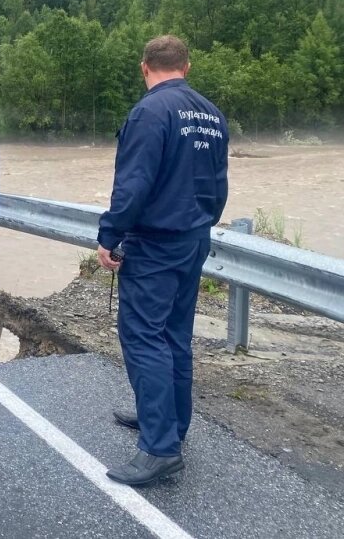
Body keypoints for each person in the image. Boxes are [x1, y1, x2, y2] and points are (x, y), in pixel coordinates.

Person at [97, 34, 228, 486]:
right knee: (174, 333)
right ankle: (172, 422)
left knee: (143, 336)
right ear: (186, 67)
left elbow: (132, 185)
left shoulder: (149, 112)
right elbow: (219, 184)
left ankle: (159, 448)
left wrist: (109, 236)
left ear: (144, 67)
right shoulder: (211, 114)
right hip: (194, 237)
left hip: (154, 243)